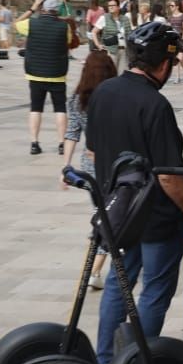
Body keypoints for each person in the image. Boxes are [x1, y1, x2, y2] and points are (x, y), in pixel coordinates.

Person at [87, 21, 183, 364]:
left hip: (119, 213)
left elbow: (95, 155)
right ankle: (137, 363)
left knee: (118, 285)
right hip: (157, 218)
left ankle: (106, 363)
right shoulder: (155, 106)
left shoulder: (103, 92)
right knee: (155, 292)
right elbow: (169, 178)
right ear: (164, 65)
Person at [62, 49, 117, 288]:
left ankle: (99, 267)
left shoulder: (76, 99)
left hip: (89, 165)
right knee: (109, 218)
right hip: (114, 164)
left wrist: (66, 166)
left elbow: (72, 132)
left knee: (104, 215)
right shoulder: (115, 98)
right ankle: (93, 271)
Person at [14, 0, 79, 156]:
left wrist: (32, 7)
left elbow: (16, 23)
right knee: (60, 109)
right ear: (56, 10)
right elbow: (69, 42)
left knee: (36, 108)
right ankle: (62, 144)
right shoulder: (64, 27)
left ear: (42, 9)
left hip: (35, 73)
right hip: (57, 73)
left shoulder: (31, 23)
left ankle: (34, 143)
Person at [91, 0, 132, 72]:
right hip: (110, 50)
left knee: (122, 74)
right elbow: (94, 32)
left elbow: (129, 34)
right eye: (109, 6)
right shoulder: (104, 18)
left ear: (118, 7)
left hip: (124, 51)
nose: (111, 7)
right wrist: (98, 45)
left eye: (113, 5)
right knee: (111, 73)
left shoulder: (125, 19)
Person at [167, 0, 183, 83]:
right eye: (170, 5)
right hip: (173, 39)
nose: (170, 7)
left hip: (181, 39)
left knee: (181, 58)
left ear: (177, 6)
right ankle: (177, 76)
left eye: (172, 5)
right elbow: (169, 29)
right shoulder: (170, 17)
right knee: (174, 58)